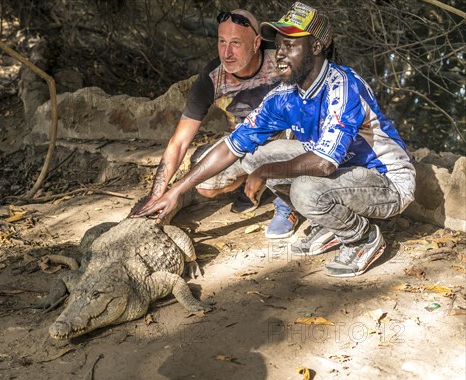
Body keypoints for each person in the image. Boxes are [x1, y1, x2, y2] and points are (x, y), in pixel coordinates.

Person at [134, 1, 416, 278]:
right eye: (279, 45)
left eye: (290, 46)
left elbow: (324, 164)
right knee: (257, 155)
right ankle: (331, 222)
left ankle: (363, 238)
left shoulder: (342, 84)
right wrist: (175, 192)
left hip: (386, 180)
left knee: (304, 189)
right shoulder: (284, 94)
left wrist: (266, 172)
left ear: (316, 48)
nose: (279, 54)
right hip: (344, 173)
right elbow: (233, 146)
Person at [130, 9, 300, 239]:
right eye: (222, 42)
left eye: (236, 43)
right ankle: (256, 181)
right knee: (204, 184)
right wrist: (156, 195)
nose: (227, 53)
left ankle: (286, 202)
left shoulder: (280, 59)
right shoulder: (212, 77)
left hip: (287, 140)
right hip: (242, 143)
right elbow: (179, 141)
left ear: (256, 42)